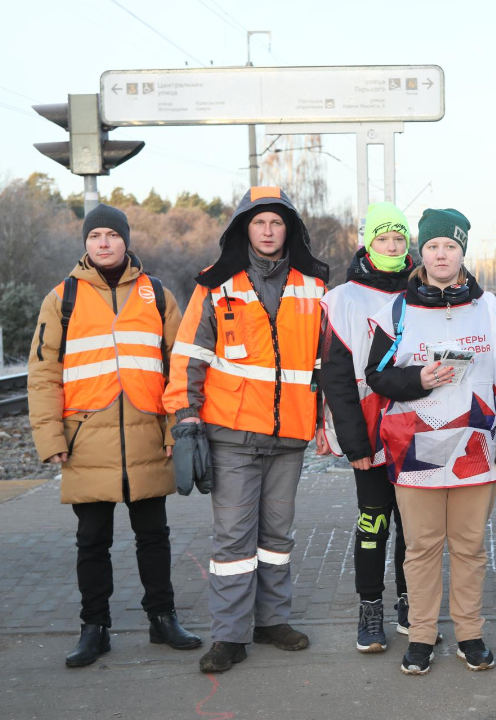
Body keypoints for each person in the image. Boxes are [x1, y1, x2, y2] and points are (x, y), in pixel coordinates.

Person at [28, 203, 202, 667]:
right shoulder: (60, 298)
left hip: (148, 436)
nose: (103, 242)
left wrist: (176, 426)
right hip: (86, 440)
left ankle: (162, 619)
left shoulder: (158, 294)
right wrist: (51, 439)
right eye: (94, 236)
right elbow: (43, 374)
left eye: (111, 234)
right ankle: (95, 627)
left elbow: (178, 365)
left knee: (154, 535)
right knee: (92, 539)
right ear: (85, 244)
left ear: (126, 241)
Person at [164, 186, 329, 674]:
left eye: (277, 222)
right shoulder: (215, 285)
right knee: (234, 539)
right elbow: (189, 358)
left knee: (277, 535)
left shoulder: (314, 284)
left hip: (289, 435)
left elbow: (325, 360)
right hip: (231, 432)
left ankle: (273, 620)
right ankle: (229, 636)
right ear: (244, 229)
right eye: (259, 223)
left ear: (289, 230)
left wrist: (327, 420)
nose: (268, 230)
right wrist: (186, 419)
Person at [365, 208, 496, 675]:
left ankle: (470, 633)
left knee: (470, 546)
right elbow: (377, 377)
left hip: (477, 447)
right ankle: (422, 636)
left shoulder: (492, 309)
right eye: (432, 246)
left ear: (462, 252)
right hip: (415, 449)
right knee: (422, 547)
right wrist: (419, 378)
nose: (440, 254)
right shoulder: (395, 311)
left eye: (449, 247)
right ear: (422, 251)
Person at [321, 202, 416, 653]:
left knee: (413, 526)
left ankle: (407, 599)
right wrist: (354, 441)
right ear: (367, 243)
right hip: (370, 432)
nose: (392, 246)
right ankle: (369, 606)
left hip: (419, 429)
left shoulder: (425, 289)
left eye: (399, 238)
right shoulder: (344, 299)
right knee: (374, 521)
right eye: (383, 238)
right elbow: (336, 377)